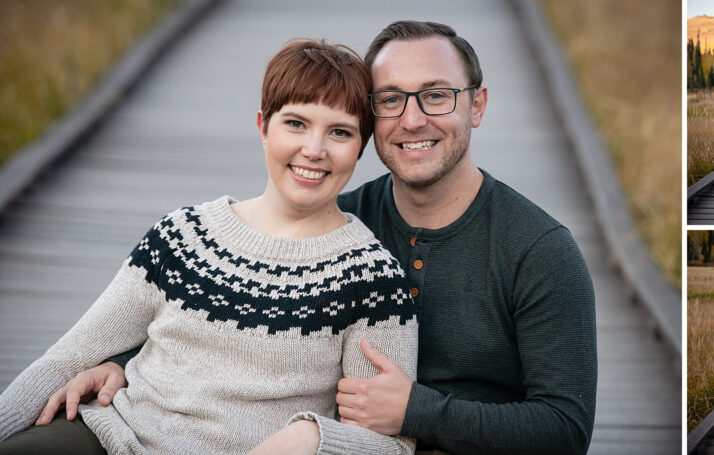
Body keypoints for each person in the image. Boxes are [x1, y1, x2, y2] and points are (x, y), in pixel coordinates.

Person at [32, 21, 598, 455]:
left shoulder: (539, 250)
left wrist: (419, 412)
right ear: (370, 120)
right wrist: (126, 360)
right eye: (390, 99)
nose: (413, 118)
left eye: (437, 95)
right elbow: (230, 302)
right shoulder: (336, 223)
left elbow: (565, 429)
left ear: (476, 105)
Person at [0, 39, 419, 454]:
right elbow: (69, 357)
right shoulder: (182, 234)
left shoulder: (371, 279)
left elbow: (391, 445)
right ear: (263, 127)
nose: (313, 150)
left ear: (360, 147)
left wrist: (314, 437)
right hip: (113, 435)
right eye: (296, 124)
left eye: (339, 132)